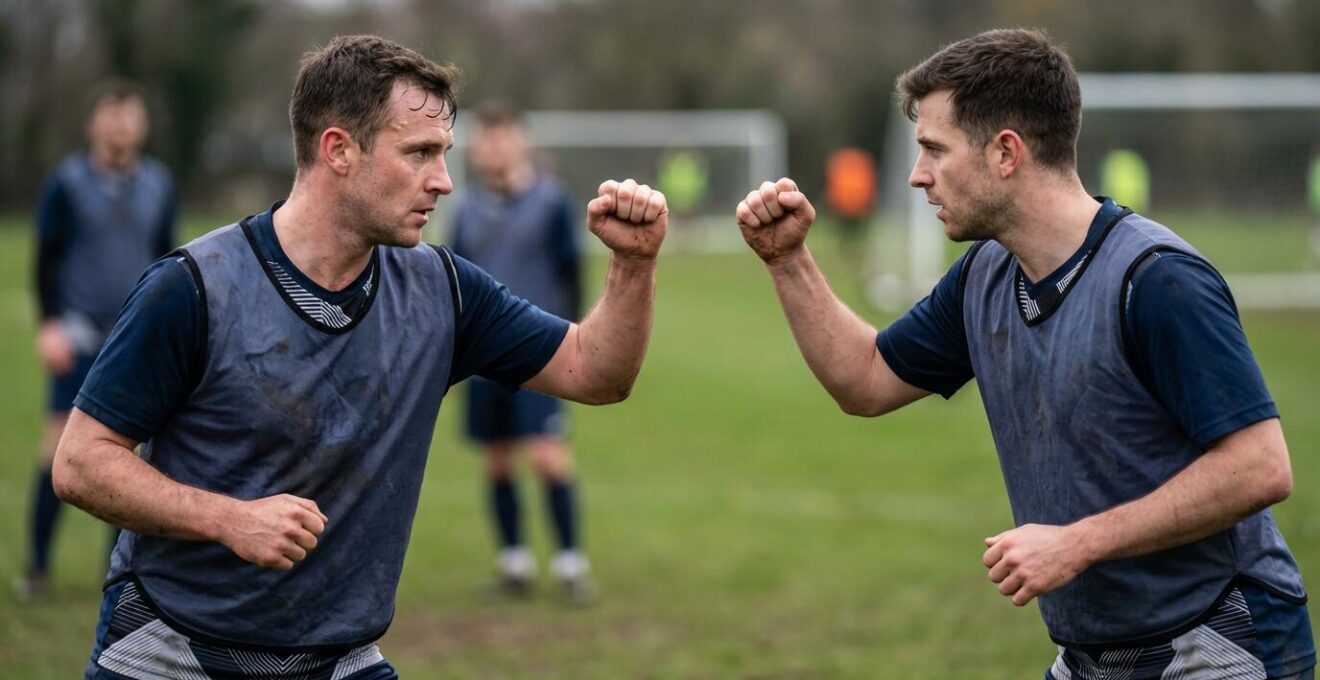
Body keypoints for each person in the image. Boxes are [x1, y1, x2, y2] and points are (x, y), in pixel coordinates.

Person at [53, 35, 666, 679]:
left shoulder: (445, 290)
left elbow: (596, 373)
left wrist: (633, 262)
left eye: (445, 154)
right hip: (172, 653)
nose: (446, 181)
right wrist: (226, 518)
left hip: (341, 659)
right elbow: (81, 463)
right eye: (420, 153)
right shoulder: (192, 287)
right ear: (339, 150)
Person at [735, 28, 1313, 680]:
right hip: (1092, 653)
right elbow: (865, 381)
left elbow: (1260, 467)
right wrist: (788, 262)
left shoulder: (1158, 280)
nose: (916, 175)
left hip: (1218, 638)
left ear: (1006, 152)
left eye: (934, 149)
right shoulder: (985, 274)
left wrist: (1078, 542)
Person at [17, 79, 176, 603]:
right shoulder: (66, 183)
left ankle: (118, 575)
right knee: (59, 453)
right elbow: (45, 259)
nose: (121, 126)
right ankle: (37, 570)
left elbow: (165, 259)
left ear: (143, 126)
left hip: (131, 340)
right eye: (112, 116)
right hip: (79, 335)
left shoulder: (160, 184)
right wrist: (49, 325)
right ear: (94, 123)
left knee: (127, 461)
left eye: (130, 116)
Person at [451, 101, 590, 600]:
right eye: (485, 139)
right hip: (484, 360)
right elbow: (453, 284)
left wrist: (574, 341)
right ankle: (514, 563)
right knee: (498, 460)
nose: (493, 147)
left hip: (542, 353)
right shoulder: (464, 207)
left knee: (549, 457)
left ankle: (571, 564)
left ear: (522, 142)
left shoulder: (552, 203)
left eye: (503, 136)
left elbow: (572, 274)